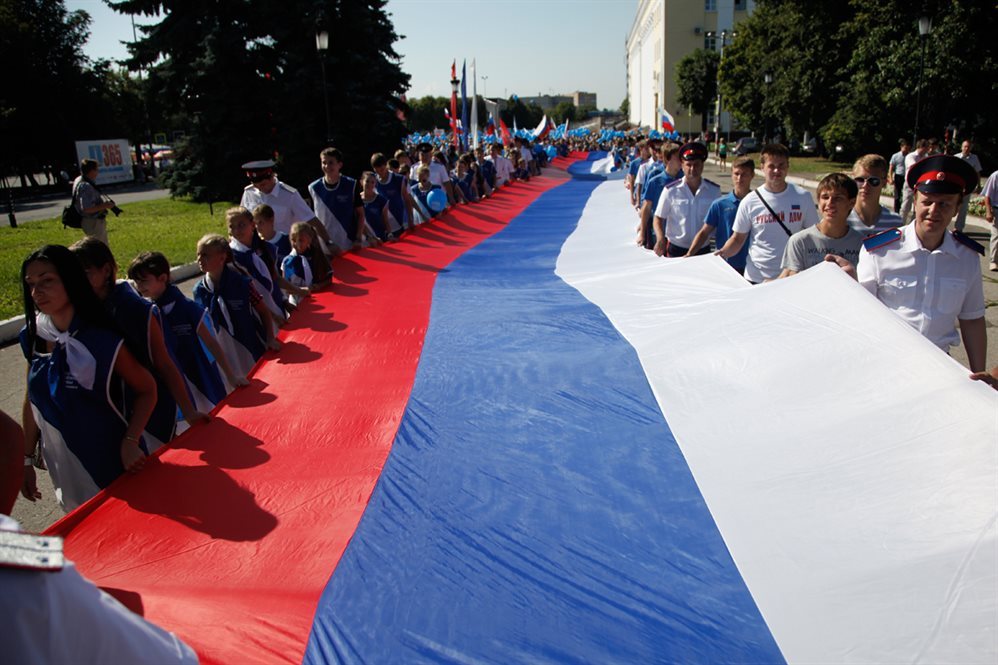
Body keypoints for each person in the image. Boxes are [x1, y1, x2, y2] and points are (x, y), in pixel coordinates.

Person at [19, 245, 156, 512]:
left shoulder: (101, 339)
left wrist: (130, 441)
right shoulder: (33, 336)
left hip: (113, 469)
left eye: (47, 280)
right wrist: (25, 459)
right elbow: (31, 396)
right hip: (65, 472)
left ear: (71, 280)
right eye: (31, 284)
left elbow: (147, 389)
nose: (37, 292)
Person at [835, 155, 986, 371]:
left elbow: (972, 319)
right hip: (886, 362)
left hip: (940, 366)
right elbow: (861, 314)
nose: (934, 211)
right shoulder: (881, 251)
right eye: (927, 202)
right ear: (914, 200)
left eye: (944, 204)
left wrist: (979, 373)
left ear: (957, 208)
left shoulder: (967, 258)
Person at [70, 238, 210, 451]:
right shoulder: (81, 308)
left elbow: (164, 362)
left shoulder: (135, 309)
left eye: (85, 273)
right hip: (106, 413)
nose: (77, 281)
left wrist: (189, 411)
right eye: (73, 274)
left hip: (147, 413)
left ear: (106, 270)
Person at [127, 252, 247, 412]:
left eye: (143, 280)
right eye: (136, 281)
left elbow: (211, 342)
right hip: (172, 383)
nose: (139, 286)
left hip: (200, 380)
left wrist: (231, 376)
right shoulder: (147, 311)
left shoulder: (186, 308)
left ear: (163, 278)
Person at [716, 143, 819, 282]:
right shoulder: (749, 201)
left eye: (781, 165)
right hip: (757, 278)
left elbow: (814, 235)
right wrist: (721, 254)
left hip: (792, 277)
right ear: (762, 167)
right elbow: (737, 239)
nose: (777, 170)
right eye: (771, 166)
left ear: (787, 167)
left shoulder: (803, 197)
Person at [192, 234, 280, 379]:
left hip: (250, 345)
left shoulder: (241, 284)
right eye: (198, 255)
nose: (200, 260)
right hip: (223, 351)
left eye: (205, 255)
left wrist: (270, 337)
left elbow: (263, 311)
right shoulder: (200, 291)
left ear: (222, 258)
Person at [779, 173, 864, 277]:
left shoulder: (862, 245)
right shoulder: (800, 241)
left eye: (838, 198)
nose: (830, 203)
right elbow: (791, 281)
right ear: (818, 201)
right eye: (825, 197)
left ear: (851, 203)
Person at [685, 156, 755, 274]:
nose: (739, 178)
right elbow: (704, 232)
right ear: (731, 175)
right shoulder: (720, 204)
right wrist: (690, 254)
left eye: (744, 174)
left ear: (752, 175)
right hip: (726, 265)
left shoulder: (758, 203)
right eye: (736, 174)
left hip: (752, 267)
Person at [239, 160, 329, 249]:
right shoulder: (249, 192)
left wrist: (328, 243)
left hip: (284, 248)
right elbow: (240, 220)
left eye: (263, 185)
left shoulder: (289, 194)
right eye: (255, 185)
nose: (259, 188)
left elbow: (311, 220)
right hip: (258, 248)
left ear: (271, 177)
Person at [652, 142, 721, 258]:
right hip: (676, 250)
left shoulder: (714, 191)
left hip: (703, 251)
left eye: (696, 164)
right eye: (688, 165)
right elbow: (658, 217)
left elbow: (718, 222)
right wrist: (660, 238)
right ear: (682, 165)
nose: (692, 169)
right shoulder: (671, 191)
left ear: (702, 165)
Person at [308, 148, 364, 253]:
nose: (327, 166)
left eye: (331, 163)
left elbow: (360, 214)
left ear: (340, 165)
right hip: (324, 248)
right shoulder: (313, 188)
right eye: (324, 162)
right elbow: (312, 220)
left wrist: (358, 238)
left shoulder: (351, 185)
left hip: (349, 245)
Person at [638, 142, 682, 249]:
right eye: (678, 158)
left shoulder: (684, 179)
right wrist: (642, 232)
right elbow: (647, 207)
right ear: (667, 160)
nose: (682, 160)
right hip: (659, 232)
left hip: (679, 234)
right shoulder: (655, 180)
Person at [847, 154, 903, 237]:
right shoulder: (841, 219)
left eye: (873, 181)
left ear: (884, 182)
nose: (865, 185)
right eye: (860, 180)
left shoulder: (895, 223)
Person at [283, 222, 332, 307]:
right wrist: (299, 291)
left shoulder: (317, 255)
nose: (296, 243)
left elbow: (328, 279)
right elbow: (285, 287)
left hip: (319, 299)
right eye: (293, 240)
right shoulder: (288, 261)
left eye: (301, 240)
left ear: (309, 239)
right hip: (297, 302)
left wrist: (316, 287)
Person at [71, 159, 118, 246]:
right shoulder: (86, 186)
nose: (98, 172)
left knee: (97, 248)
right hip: (93, 222)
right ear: (91, 171)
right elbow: (86, 208)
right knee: (100, 249)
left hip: (91, 222)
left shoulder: (80, 180)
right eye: (96, 169)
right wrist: (105, 205)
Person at [371, 152, 415, 234]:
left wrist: (410, 219)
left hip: (401, 223)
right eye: (378, 170)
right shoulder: (373, 181)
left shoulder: (398, 179)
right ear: (374, 169)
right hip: (385, 227)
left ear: (386, 165)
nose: (381, 172)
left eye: (382, 169)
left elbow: (407, 200)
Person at [953, 140, 983, 232]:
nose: (966, 149)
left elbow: (977, 172)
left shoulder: (974, 158)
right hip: (955, 186)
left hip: (967, 186)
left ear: (971, 148)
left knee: (963, 208)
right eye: (965, 146)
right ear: (961, 147)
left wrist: (978, 185)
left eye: (968, 147)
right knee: (952, 206)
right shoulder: (956, 157)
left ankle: (958, 229)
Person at [900, 139, 929, 223]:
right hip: (910, 184)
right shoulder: (911, 156)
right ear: (921, 147)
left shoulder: (925, 157)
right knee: (906, 206)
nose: (927, 150)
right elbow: (914, 167)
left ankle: (914, 224)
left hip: (921, 185)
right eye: (926, 148)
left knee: (918, 207)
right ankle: (901, 224)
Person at [359, 172, 392, 243]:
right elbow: (356, 221)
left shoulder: (381, 200)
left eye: (372, 182)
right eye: (367, 181)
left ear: (375, 184)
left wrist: (390, 235)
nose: (369, 184)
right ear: (361, 182)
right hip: (363, 239)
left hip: (379, 239)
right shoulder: (356, 200)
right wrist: (369, 237)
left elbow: (385, 220)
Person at [982, 169, 998, 271]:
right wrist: (988, 212)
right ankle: (994, 261)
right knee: (997, 236)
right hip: (997, 209)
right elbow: (987, 195)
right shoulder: (995, 176)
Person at [888, 140, 910, 213]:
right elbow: (891, 167)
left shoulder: (910, 156)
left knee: (905, 194)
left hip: (907, 176)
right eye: (904, 148)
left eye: (907, 148)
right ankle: (896, 210)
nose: (906, 150)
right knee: (897, 194)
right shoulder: (895, 156)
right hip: (898, 176)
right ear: (901, 147)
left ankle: (903, 210)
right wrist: (890, 178)